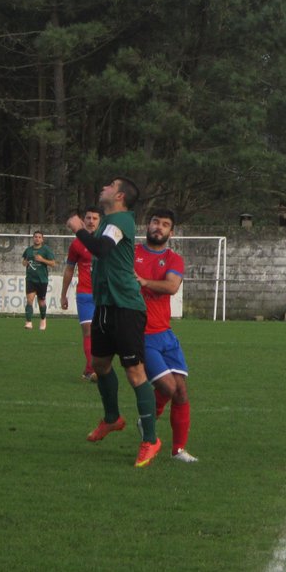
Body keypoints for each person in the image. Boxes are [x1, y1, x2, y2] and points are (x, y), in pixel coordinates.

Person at [65, 177, 161, 468]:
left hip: (126, 308)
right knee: (100, 366)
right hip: (105, 305)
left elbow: (101, 249)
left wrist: (78, 227)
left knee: (134, 372)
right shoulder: (110, 220)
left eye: (109, 185)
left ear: (119, 195)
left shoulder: (121, 221)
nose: (103, 187)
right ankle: (112, 418)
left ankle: (151, 440)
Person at [134, 209, 198, 462]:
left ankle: (178, 450)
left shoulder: (174, 259)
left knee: (181, 391)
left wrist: (144, 282)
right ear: (147, 225)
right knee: (168, 386)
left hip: (165, 333)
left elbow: (172, 286)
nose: (158, 227)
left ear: (171, 232)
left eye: (165, 225)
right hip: (142, 334)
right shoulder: (132, 254)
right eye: (155, 222)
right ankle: (148, 421)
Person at [61, 207, 101, 381]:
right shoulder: (77, 244)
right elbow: (69, 269)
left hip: (105, 294)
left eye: (95, 218)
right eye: (88, 218)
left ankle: (89, 368)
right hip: (85, 293)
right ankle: (93, 369)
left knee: (103, 333)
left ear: (100, 221)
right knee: (88, 331)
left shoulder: (106, 241)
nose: (91, 221)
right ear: (83, 221)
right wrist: (63, 294)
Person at [21, 231, 56, 331]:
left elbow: (53, 263)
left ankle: (43, 319)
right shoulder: (28, 250)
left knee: (41, 301)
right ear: (33, 238)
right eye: (35, 237)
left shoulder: (46, 250)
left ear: (42, 239)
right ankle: (28, 322)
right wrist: (25, 262)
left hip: (42, 280)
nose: (37, 239)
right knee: (29, 300)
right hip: (30, 279)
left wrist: (42, 260)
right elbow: (23, 261)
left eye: (39, 237)